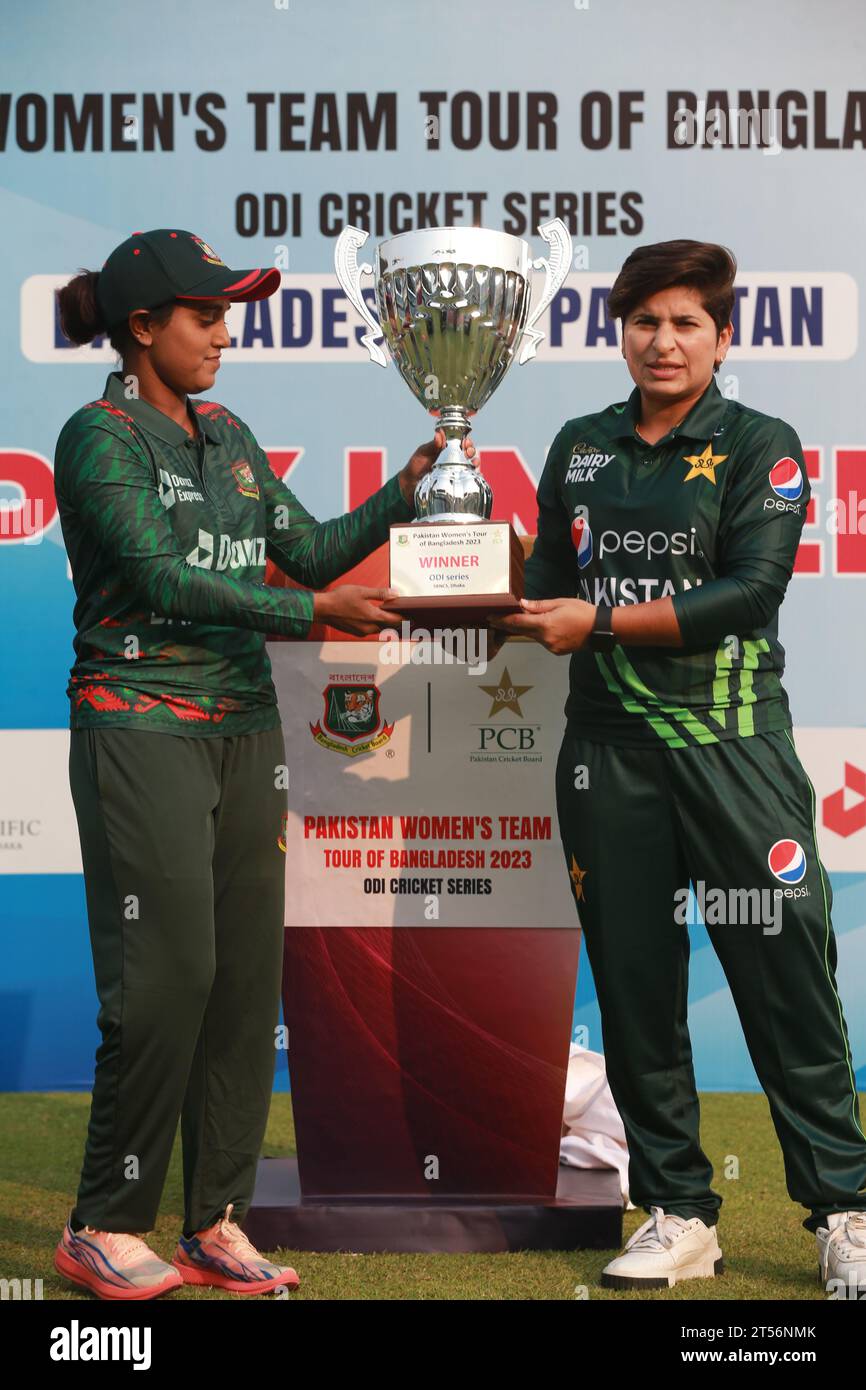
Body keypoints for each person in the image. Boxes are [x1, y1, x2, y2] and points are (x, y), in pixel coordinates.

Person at [51, 227, 474, 1300]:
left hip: (246, 730)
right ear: (142, 325)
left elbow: (314, 552)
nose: (224, 334)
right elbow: (161, 581)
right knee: (167, 979)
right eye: (205, 315)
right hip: (139, 720)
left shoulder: (228, 432)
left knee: (241, 987)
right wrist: (310, 611)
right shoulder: (97, 437)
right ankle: (105, 1220)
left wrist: (412, 487)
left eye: (226, 312)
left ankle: (213, 1223)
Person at [490, 239, 866, 1292]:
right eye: (643, 320)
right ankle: (675, 1211)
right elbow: (544, 587)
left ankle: (842, 1210)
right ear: (620, 331)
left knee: (783, 976)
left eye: (685, 322)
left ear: (721, 336)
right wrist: (448, 577)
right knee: (636, 986)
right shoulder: (577, 445)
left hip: (730, 749)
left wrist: (595, 618)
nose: (662, 341)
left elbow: (749, 592)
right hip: (604, 757)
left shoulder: (758, 443)